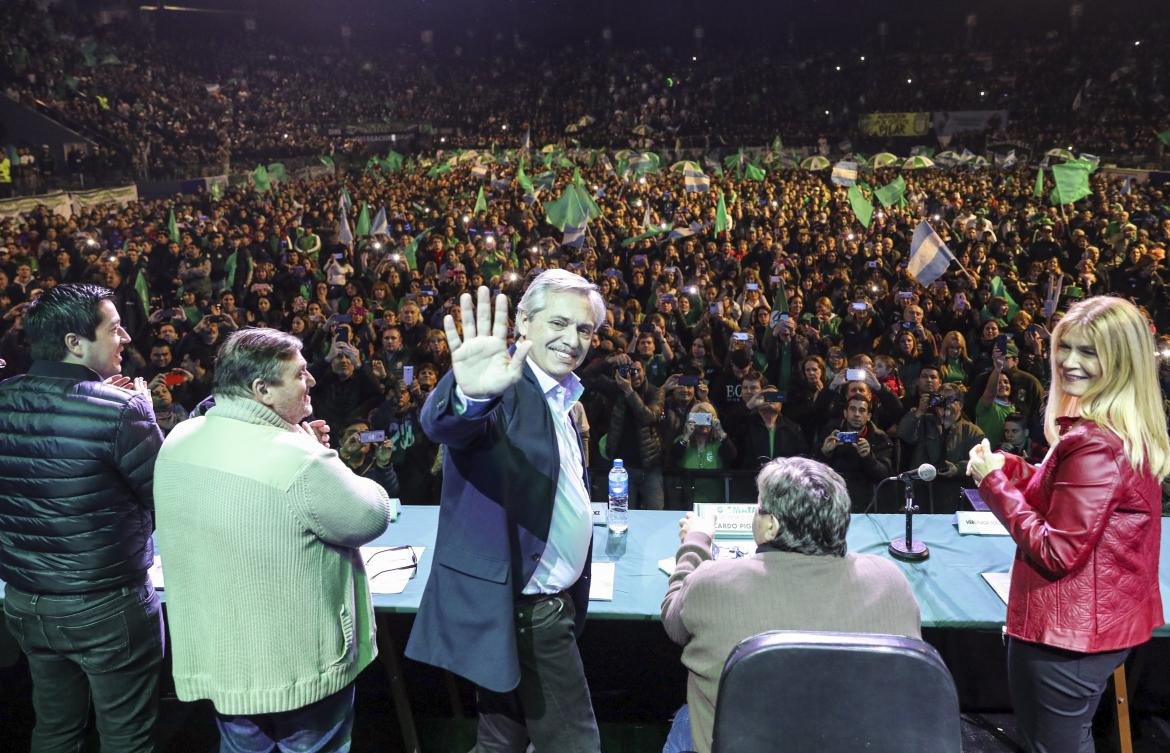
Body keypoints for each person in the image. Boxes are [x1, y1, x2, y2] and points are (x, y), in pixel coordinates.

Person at [152, 328, 392, 752]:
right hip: (300, 670)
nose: (311, 381)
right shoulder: (298, 456)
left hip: (223, 661)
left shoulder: (178, 440)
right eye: (300, 374)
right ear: (262, 389)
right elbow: (370, 515)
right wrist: (312, 449)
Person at [406, 271, 604, 753]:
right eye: (559, 322)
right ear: (524, 322)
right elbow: (445, 423)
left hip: (521, 608)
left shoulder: (565, 396)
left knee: (502, 738)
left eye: (585, 330)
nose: (573, 339)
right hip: (528, 614)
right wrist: (470, 394)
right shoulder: (504, 386)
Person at [967, 296, 1170, 753]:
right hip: (1093, 629)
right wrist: (1011, 466)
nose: (1068, 362)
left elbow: (1056, 551)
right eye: (1066, 347)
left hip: (1068, 637)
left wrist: (992, 484)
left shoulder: (1095, 442)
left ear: (1123, 361)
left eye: (1089, 352)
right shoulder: (1118, 427)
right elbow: (1063, 489)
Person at [0, 283, 165, 752]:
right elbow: (165, 494)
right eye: (114, 328)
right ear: (75, 343)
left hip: (26, 602)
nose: (126, 338)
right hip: (106, 608)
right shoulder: (122, 409)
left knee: (54, 730)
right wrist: (143, 417)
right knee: (126, 737)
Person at [660, 457, 921, 753]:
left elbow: (673, 619)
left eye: (759, 508)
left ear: (771, 525)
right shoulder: (892, 582)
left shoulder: (711, 582)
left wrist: (695, 542)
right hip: (853, 740)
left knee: (685, 719)